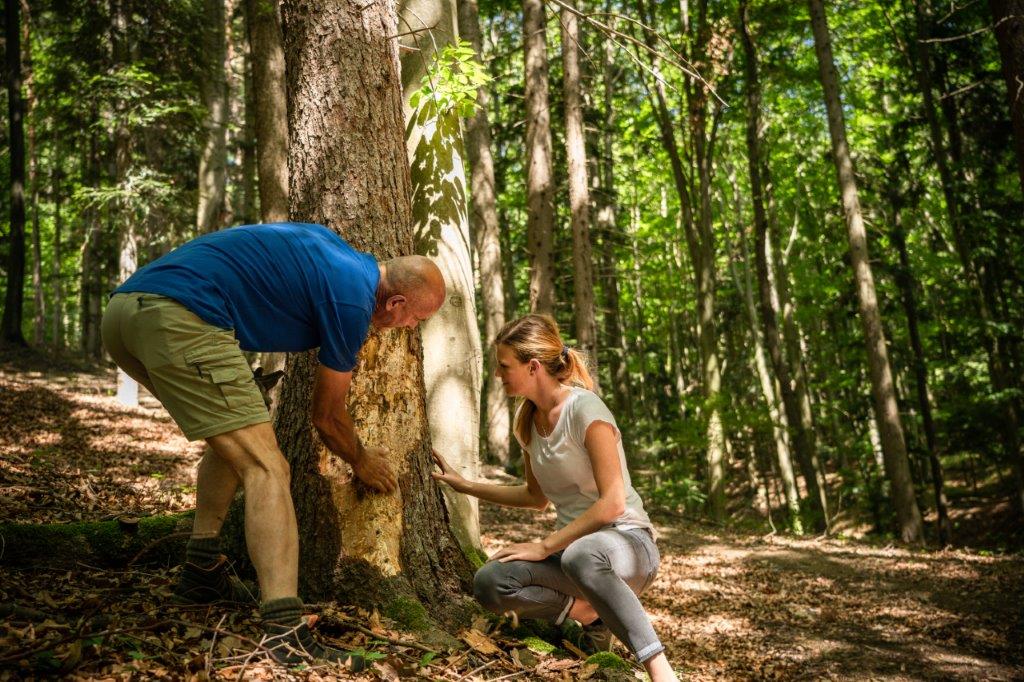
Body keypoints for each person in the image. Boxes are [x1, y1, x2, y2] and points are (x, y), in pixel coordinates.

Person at [101, 222, 445, 670]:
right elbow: (326, 418)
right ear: (396, 302)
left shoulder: (333, 253)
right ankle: (286, 632)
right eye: (414, 319)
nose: (409, 327)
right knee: (268, 468)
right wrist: (361, 459)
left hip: (125, 313)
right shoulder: (350, 301)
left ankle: (201, 569)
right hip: (180, 316)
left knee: (235, 440)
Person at [432, 314, 678, 681]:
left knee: (583, 554)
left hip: (628, 545)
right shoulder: (528, 421)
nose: (498, 376)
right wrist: (464, 485)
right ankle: (589, 613)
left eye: (504, 366)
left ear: (533, 367)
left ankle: (661, 670)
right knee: (490, 582)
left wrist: (545, 545)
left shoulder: (586, 411)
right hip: (572, 559)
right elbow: (535, 497)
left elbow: (612, 503)